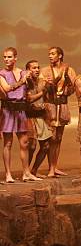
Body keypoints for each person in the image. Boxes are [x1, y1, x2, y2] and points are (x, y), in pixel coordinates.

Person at [0, 47, 41, 182]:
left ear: (15, 58)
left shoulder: (22, 73)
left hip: (21, 110)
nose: (6, 59)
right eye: (5, 57)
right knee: (8, 143)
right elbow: (6, 88)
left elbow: (29, 89)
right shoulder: (1, 74)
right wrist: (22, 81)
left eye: (9, 57)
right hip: (8, 111)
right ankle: (8, 175)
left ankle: (26, 173)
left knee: (24, 143)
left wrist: (30, 79)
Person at [40, 46, 76, 177]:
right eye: (49, 54)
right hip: (51, 106)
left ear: (60, 55)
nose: (50, 56)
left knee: (59, 138)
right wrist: (56, 79)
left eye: (53, 54)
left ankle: (54, 167)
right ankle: (50, 168)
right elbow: (44, 90)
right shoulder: (44, 71)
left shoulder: (69, 70)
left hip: (63, 105)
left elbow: (71, 90)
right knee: (52, 137)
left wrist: (66, 77)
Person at [24, 60, 53, 178]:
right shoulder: (25, 83)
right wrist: (43, 91)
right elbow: (29, 99)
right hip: (29, 117)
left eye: (38, 67)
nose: (36, 70)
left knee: (46, 145)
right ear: (28, 70)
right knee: (31, 146)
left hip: (41, 115)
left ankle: (34, 170)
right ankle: (26, 172)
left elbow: (47, 98)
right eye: (33, 68)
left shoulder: (42, 82)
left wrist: (50, 86)